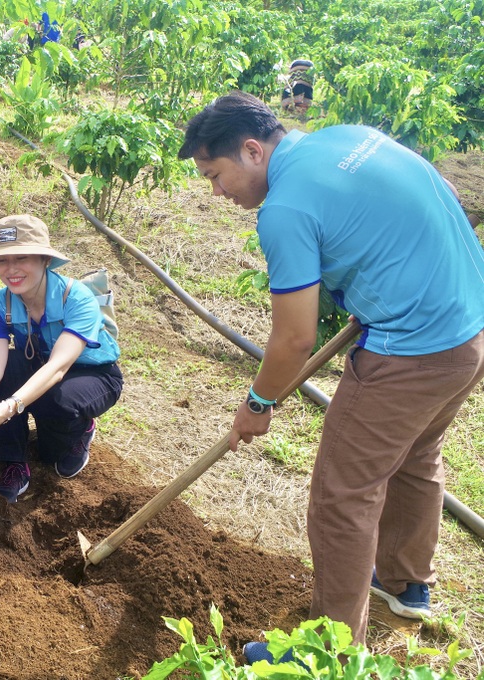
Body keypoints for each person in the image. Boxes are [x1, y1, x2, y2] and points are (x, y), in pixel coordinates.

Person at [177, 92, 484, 662]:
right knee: (416, 457)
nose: (216, 193)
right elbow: (418, 209)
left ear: (252, 150)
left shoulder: (285, 209)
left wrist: (259, 401)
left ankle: (328, 652)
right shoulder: (349, 136)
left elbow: (294, 339)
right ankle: (403, 584)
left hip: (411, 351)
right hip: (469, 330)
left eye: (215, 175)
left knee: (343, 496)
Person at [0, 214, 123, 502]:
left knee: (55, 425)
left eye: (21, 258)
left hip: (93, 376)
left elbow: (58, 367)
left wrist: (11, 405)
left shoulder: (77, 298)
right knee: (11, 365)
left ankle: (80, 430)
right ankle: (13, 463)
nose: (10, 269)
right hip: (41, 371)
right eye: (1, 261)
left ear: (44, 260)